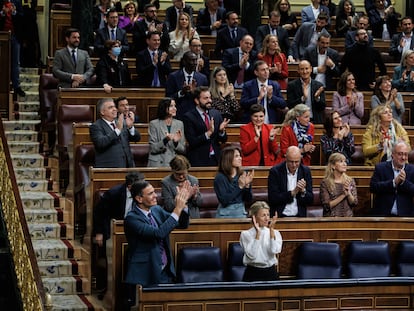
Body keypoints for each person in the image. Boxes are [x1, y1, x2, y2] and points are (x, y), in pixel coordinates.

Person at [124, 180, 190, 289]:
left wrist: (184, 206)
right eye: (150, 193)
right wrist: (177, 208)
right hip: (146, 273)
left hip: (165, 271)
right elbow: (158, 234)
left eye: (154, 192)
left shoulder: (156, 210)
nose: (155, 196)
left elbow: (181, 224)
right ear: (139, 198)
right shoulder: (132, 219)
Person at [93, 171, 145, 245]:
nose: (144, 187)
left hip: (137, 227)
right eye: (141, 185)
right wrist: (99, 232)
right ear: (130, 187)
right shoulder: (114, 193)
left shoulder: (144, 193)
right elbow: (100, 213)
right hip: (116, 228)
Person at [183, 86, 229, 166]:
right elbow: (192, 141)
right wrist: (208, 133)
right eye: (206, 98)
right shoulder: (189, 117)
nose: (210, 101)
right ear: (197, 101)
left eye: (210, 98)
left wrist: (221, 131)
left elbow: (223, 140)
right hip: (198, 159)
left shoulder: (216, 114)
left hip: (216, 158)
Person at [90, 98, 141, 168]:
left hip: (128, 167)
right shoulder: (96, 126)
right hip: (109, 168)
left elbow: (137, 138)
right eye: (110, 107)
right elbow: (100, 143)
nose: (115, 109)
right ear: (102, 112)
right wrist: (117, 130)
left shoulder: (120, 122)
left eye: (114, 106)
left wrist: (130, 127)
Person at [239, 201, 283, 282]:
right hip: (253, 274)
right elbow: (252, 255)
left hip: (270, 272)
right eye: (263, 215)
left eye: (268, 215)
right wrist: (258, 234)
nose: (267, 218)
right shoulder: (246, 234)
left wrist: (271, 230)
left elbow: (274, 250)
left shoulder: (275, 233)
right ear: (254, 217)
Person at [370, 141, 414, 216]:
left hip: (405, 216)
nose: (403, 157)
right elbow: (373, 187)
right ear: (392, 154)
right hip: (383, 215)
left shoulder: (412, 170)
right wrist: (393, 183)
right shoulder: (380, 168)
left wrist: (404, 182)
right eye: (400, 154)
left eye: (405, 154)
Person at [268, 146, 314, 217]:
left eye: (297, 162)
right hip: (280, 217)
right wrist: (292, 193)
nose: (294, 165)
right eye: (291, 162)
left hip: (299, 217)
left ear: (300, 159)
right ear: (286, 158)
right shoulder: (275, 172)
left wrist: (303, 191)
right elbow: (273, 198)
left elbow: (310, 200)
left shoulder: (305, 171)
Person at [166, 51, 208, 119]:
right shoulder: (173, 76)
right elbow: (168, 97)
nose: (195, 63)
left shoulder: (202, 78)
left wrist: (195, 92)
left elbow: (205, 98)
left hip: (196, 116)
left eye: (196, 60)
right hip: (179, 114)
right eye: (192, 60)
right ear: (184, 62)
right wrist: (181, 92)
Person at [214, 146, 253, 218]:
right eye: (236, 156)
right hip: (225, 215)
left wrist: (247, 186)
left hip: (241, 213)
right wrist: (240, 187)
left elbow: (248, 199)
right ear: (228, 159)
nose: (240, 158)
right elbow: (224, 200)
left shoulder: (243, 175)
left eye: (240, 156)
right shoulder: (220, 178)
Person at [148, 98, 186, 167]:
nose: (175, 108)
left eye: (175, 106)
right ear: (164, 108)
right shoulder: (154, 124)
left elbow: (183, 149)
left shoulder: (179, 124)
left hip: (174, 163)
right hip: (158, 163)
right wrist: (165, 140)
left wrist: (176, 142)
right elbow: (153, 149)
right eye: (171, 106)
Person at [287, 60, 326, 124]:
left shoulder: (318, 86)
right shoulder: (292, 85)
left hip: (315, 121)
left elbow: (322, 107)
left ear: (311, 69)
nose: (305, 72)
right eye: (302, 69)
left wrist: (317, 98)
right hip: (297, 122)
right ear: (298, 71)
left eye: (306, 68)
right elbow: (290, 105)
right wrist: (303, 98)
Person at [320, 153, 358, 217]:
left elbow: (354, 203)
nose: (345, 164)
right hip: (331, 219)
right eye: (341, 161)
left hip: (348, 219)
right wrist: (343, 195)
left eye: (345, 161)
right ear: (333, 166)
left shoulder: (350, 181)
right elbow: (327, 206)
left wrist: (348, 193)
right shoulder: (325, 183)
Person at [0, 0, 25, 97]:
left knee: (15, 62)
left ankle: (16, 86)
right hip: (2, 36)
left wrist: (14, 12)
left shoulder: (17, 2)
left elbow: (22, 18)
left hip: (15, 36)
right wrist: (2, 13)